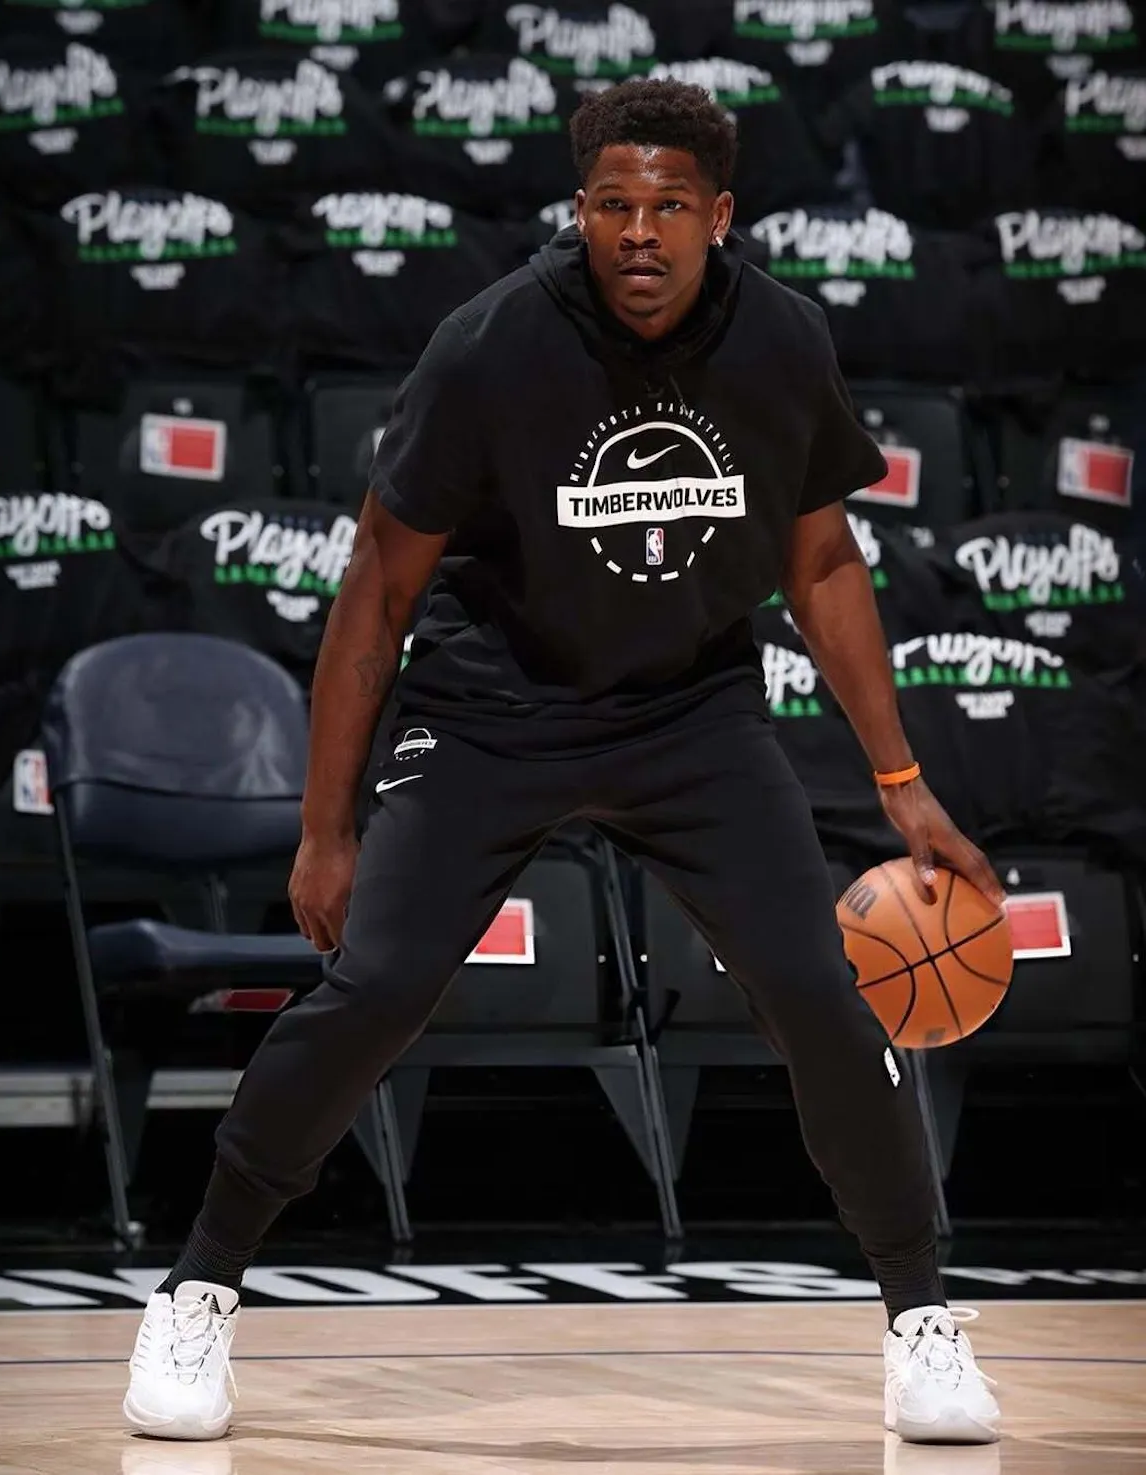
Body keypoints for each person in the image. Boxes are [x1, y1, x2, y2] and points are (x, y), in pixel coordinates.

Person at [124, 79, 1004, 1447]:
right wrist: (325, 828)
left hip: (692, 715)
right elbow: (375, 593)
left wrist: (903, 783)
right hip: (493, 710)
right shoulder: (489, 347)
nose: (639, 231)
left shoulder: (781, 339)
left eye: (669, 206)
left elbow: (824, 560)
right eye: (612, 204)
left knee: (824, 996)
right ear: (579, 210)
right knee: (376, 988)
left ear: (721, 215)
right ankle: (196, 1287)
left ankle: (922, 1318)